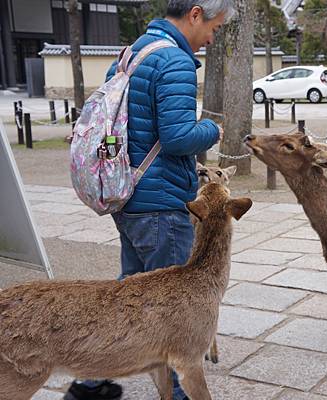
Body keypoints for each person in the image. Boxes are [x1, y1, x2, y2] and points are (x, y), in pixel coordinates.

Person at [64, 1, 234, 400]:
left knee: (127, 301)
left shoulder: (132, 51)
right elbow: (177, 138)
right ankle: (173, 390)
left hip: (127, 195)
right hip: (160, 205)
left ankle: (91, 381)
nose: (211, 38)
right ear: (195, 14)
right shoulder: (174, 61)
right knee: (175, 312)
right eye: (213, 27)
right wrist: (211, 130)